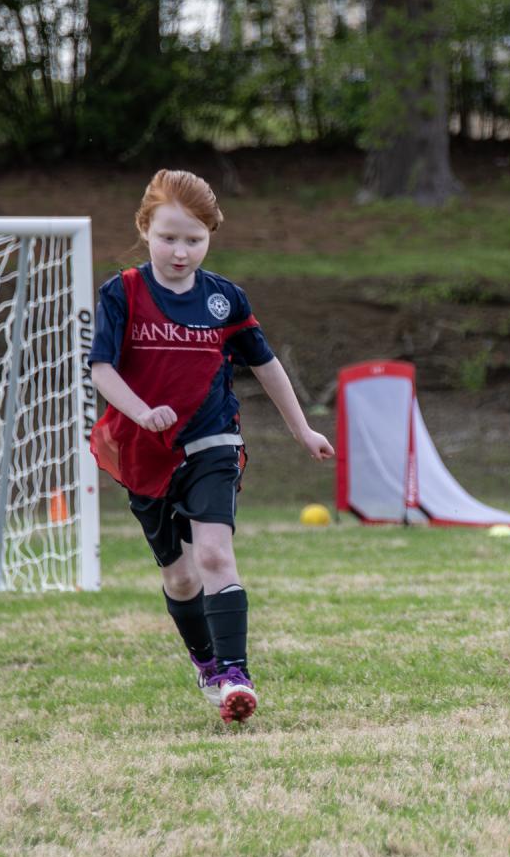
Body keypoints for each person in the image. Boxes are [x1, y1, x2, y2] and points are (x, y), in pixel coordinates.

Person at [88, 170, 333, 722]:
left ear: (211, 237)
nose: (180, 251)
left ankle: (234, 675)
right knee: (180, 576)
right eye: (169, 237)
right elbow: (101, 369)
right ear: (145, 228)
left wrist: (303, 430)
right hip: (143, 450)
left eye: (194, 240)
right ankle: (205, 663)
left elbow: (265, 366)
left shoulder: (224, 300)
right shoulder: (121, 292)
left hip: (213, 440)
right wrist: (142, 412)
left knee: (216, 555)